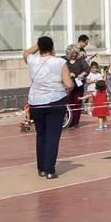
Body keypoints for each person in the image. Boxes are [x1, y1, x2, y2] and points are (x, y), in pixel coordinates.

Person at [26, 35, 74, 178]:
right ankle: (50, 170)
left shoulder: (32, 60)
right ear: (52, 47)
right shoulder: (59, 62)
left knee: (41, 135)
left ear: (39, 48)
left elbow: (26, 53)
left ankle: (41, 168)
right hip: (55, 101)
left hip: (35, 103)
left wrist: (38, 45)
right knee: (53, 136)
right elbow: (69, 84)